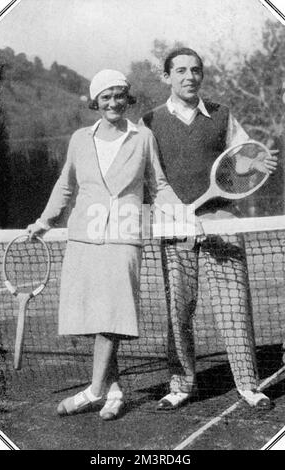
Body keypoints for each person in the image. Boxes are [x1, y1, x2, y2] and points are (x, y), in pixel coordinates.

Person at [27, 69, 187, 420]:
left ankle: (94, 389)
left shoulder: (142, 137)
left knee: (113, 314)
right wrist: (44, 220)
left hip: (124, 236)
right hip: (84, 236)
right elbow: (65, 186)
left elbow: (158, 185)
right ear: (95, 102)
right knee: (93, 315)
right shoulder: (79, 139)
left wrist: (186, 217)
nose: (113, 102)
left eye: (119, 96)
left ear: (127, 100)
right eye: (105, 97)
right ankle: (113, 390)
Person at [141, 47, 278, 411]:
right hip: (174, 226)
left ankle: (249, 386)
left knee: (234, 306)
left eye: (196, 70)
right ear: (167, 76)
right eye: (181, 70)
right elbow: (152, 179)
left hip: (221, 222)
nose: (190, 77)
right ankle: (181, 384)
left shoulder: (222, 115)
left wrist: (256, 162)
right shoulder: (149, 122)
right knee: (178, 310)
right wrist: (180, 216)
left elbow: (244, 156)